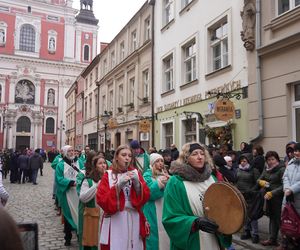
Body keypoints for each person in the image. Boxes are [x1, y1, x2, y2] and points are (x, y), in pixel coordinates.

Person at [162, 142, 232, 250]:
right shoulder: (175, 183)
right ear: (186, 158)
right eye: (194, 154)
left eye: (202, 154)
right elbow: (170, 217)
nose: (199, 157)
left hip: (214, 238)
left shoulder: (212, 179)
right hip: (193, 239)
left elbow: (222, 205)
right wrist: (195, 223)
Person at [96, 144, 150, 250]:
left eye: (130, 156)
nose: (127, 158)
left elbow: (146, 196)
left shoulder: (136, 173)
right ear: (116, 157)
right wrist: (118, 186)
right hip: (116, 219)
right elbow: (102, 200)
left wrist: (138, 185)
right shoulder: (108, 175)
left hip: (134, 217)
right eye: (124, 155)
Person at [55, 145, 84, 246]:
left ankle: (80, 234)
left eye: (73, 150)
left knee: (79, 215)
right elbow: (59, 179)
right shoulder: (60, 165)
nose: (72, 152)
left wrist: (80, 182)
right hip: (67, 193)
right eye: (70, 151)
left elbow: (84, 174)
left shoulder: (80, 162)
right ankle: (68, 238)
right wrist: (71, 183)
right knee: (68, 216)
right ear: (65, 152)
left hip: (79, 193)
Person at [78, 154, 107, 250]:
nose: (103, 165)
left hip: (107, 216)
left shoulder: (110, 178)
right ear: (95, 167)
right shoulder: (88, 181)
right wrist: (97, 186)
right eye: (100, 163)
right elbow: (83, 197)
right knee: (93, 242)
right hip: (94, 216)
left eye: (104, 163)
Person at [143, 153, 170, 250]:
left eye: (162, 161)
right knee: (154, 237)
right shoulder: (147, 175)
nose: (160, 163)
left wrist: (170, 182)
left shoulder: (166, 174)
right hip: (152, 210)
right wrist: (159, 183)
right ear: (152, 163)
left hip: (165, 209)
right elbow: (148, 193)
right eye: (157, 161)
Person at [258, 151, 284, 247]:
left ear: (277, 159)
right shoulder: (266, 169)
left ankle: (284, 243)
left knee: (280, 220)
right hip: (269, 199)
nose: (271, 161)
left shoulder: (281, 169)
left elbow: (284, 186)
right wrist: (261, 182)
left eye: (273, 159)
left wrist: (272, 192)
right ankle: (272, 239)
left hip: (278, 199)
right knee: (272, 218)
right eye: (268, 160)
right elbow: (259, 179)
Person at [277, 142, 300, 250]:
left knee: (298, 224)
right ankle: (285, 243)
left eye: (299, 150)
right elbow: (285, 177)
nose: (297, 153)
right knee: (287, 221)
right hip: (288, 198)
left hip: (297, 199)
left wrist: (291, 189)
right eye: (295, 150)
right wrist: (286, 188)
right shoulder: (291, 162)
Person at [236, 154, 260, 243]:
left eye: (244, 161)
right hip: (241, 195)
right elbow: (236, 180)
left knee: (252, 215)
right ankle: (247, 231)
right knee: (245, 214)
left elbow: (258, 183)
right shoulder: (238, 169)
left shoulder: (253, 170)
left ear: (249, 161)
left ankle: (255, 234)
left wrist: (251, 190)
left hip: (251, 195)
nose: (242, 162)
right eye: (241, 161)